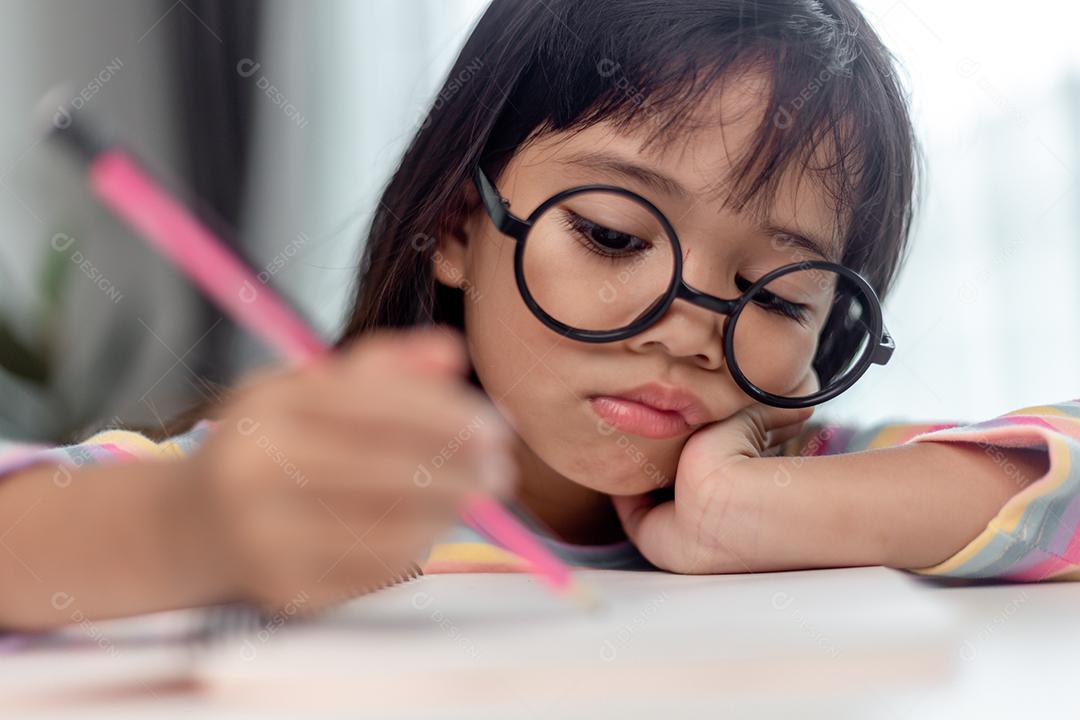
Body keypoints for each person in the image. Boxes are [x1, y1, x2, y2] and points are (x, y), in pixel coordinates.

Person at [2, 0, 1076, 632]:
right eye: (612, 236)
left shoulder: (804, 475)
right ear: (458, 226)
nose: (693, 332)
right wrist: (195, 525)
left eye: (781, 296)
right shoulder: (315, 482)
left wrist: (752, 517)